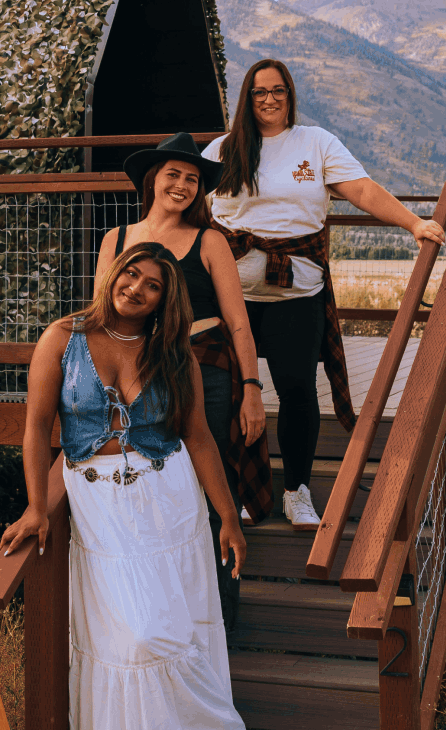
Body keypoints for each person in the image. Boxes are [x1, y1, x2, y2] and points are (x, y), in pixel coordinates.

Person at [0, 241, 247, 730]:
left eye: (152, 286)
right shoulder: (62, 338)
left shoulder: (173, 354)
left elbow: (198, 437)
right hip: (100, 505)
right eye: (131, 274)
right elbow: (36, 427)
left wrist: (227, 517)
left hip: (169, 500)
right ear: (114, 272)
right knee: (135, 636)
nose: (136, 289)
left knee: (175, 629)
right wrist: (36, 506)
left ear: (163, 301)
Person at [205, 59, 446, 529]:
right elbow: (190, 204)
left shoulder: (315, 143)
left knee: (297, 390)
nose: (269, 99)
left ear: (290, 95)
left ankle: (295, 492)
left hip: (298, 296)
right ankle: (241, 493)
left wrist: (414, 224)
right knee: (229, 393)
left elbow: (362, 191)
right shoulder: (223, 149)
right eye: (259, 92)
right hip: (231, 296)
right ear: (247, 99)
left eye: (278, 90)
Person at [95, 131, 269, 630]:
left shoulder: (209, 241)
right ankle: (163, 619)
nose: (183, 185)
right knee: (150, 489)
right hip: (139, 374)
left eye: (193, 179)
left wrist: (252, 389)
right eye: (174, 175)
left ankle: (221, 624)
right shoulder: (117, 240)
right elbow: (103, 318)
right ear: (152, 180)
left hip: (207, 368)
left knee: (212, 490)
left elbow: (239, 323)